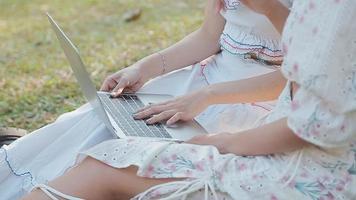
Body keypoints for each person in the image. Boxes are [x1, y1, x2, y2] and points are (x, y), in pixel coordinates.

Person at [22, 0, 356, 199]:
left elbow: (310, 83)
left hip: (250, 101)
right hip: (207, 82)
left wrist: (213, 113)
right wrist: (146, 67)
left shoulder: (334, 15)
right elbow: (209, 36)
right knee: (92, 125)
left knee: (119, 153)